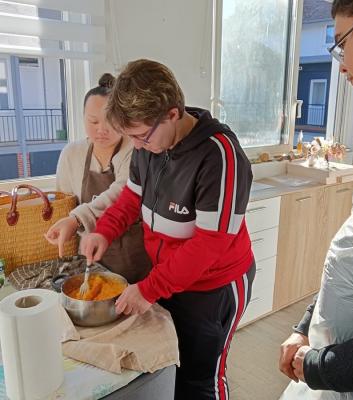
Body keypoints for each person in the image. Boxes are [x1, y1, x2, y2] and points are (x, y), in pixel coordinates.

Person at [80, 59, 256, 400]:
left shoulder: (219, 155)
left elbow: (209, 245)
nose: (138, 146)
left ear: (172, 113)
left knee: (202, 379)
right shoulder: (149, 147)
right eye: (132, 138)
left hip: (215, 287)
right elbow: (131, 198)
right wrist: (103, 231)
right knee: (174, 367)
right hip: (171, 279)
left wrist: (148, 289)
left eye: (141, 136)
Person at [279, 1, 353, 398]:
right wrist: (305, 325)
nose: (341, 64)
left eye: (342, 43)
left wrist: (324, 366)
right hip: (335, 360)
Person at [45, 73, 151, 283]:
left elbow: (121, 193)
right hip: (89, 256)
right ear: (82, 117)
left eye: (111, 122)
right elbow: (64, 201)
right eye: (93, 121)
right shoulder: (72, 153)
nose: (101, 130)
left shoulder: (136, 148)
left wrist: (76, 219)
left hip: (132, 258)